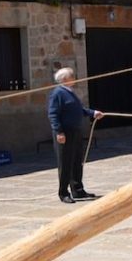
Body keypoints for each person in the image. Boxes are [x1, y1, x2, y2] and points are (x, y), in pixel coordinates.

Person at [47, 67, 104, 203]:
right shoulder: (57, 94)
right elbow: (53, 114)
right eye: (72, 76)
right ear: (65, 79)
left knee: (77, 161)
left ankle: (78, 190)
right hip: (65, 132)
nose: (74, 78)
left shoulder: (70, 92)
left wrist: (93, 113)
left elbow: (79, 109)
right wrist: (59, 132)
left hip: (75, 131)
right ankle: (63, 193)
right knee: (65, 163)